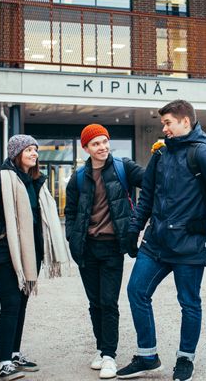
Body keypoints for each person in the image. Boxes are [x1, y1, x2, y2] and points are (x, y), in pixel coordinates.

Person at [116, 99, 206, 381]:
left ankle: (185, 358)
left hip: (189, 244)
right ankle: (147, 356)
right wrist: (134, 230)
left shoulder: (201, 153)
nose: (164, 128)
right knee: (137, 291)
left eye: (168, 123)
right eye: (163, 123)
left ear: (185, 122)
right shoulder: (161, 154)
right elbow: (147, 196)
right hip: (156, 243)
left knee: (189, 303)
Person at [0, 134, 69, 381]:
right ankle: (4, 363)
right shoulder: (1, 181)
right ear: (16, 153)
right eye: (29, 150)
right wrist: (2, 234)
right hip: (6, 255)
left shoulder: (35, 181)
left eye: (35, 149)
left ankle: (14, 354)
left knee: (21, 304)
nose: (34, 153)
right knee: (10, 305)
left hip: (30, 254)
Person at [65, 124, 145, 379]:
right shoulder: (79, 177)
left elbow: (151, 183)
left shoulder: (123, 167)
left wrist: (137, 223)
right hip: (87, 248)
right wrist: (72, 238)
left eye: (104, 141)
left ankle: (109, 355)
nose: (102, 147)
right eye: (95, 144)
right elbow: (71, 212)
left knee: (109, 302)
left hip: (112, 247)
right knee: (95, 303)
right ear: (86, 148)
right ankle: (101, 349)